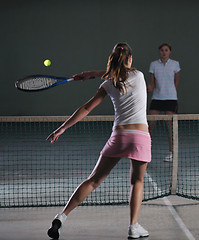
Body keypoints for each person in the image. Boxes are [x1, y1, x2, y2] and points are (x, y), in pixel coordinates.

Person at [46, 42, 150, 239]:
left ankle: (62, 216)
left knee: (93, 181)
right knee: (137, 181)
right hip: (140, 137)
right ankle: (133, 227)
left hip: (118, 136)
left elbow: (85, 108)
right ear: (129, 58)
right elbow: (121, 72)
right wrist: (92, 73)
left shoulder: (107, 84)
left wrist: (62, 128)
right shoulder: (139, 75)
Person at [147, 43, 180, 162]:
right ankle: (145, 151)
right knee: (150, 125)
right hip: (157, 98)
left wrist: (170, 92)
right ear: (159, 52)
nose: (164, 52)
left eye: (166, 50)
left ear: (170, 52)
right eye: (162, 50)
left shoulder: (175, 64)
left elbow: (176, 82)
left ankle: (172, 152)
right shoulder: (153, 65)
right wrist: (149, 88)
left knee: (170, 126)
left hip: (171, 99)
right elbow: (152, 83)